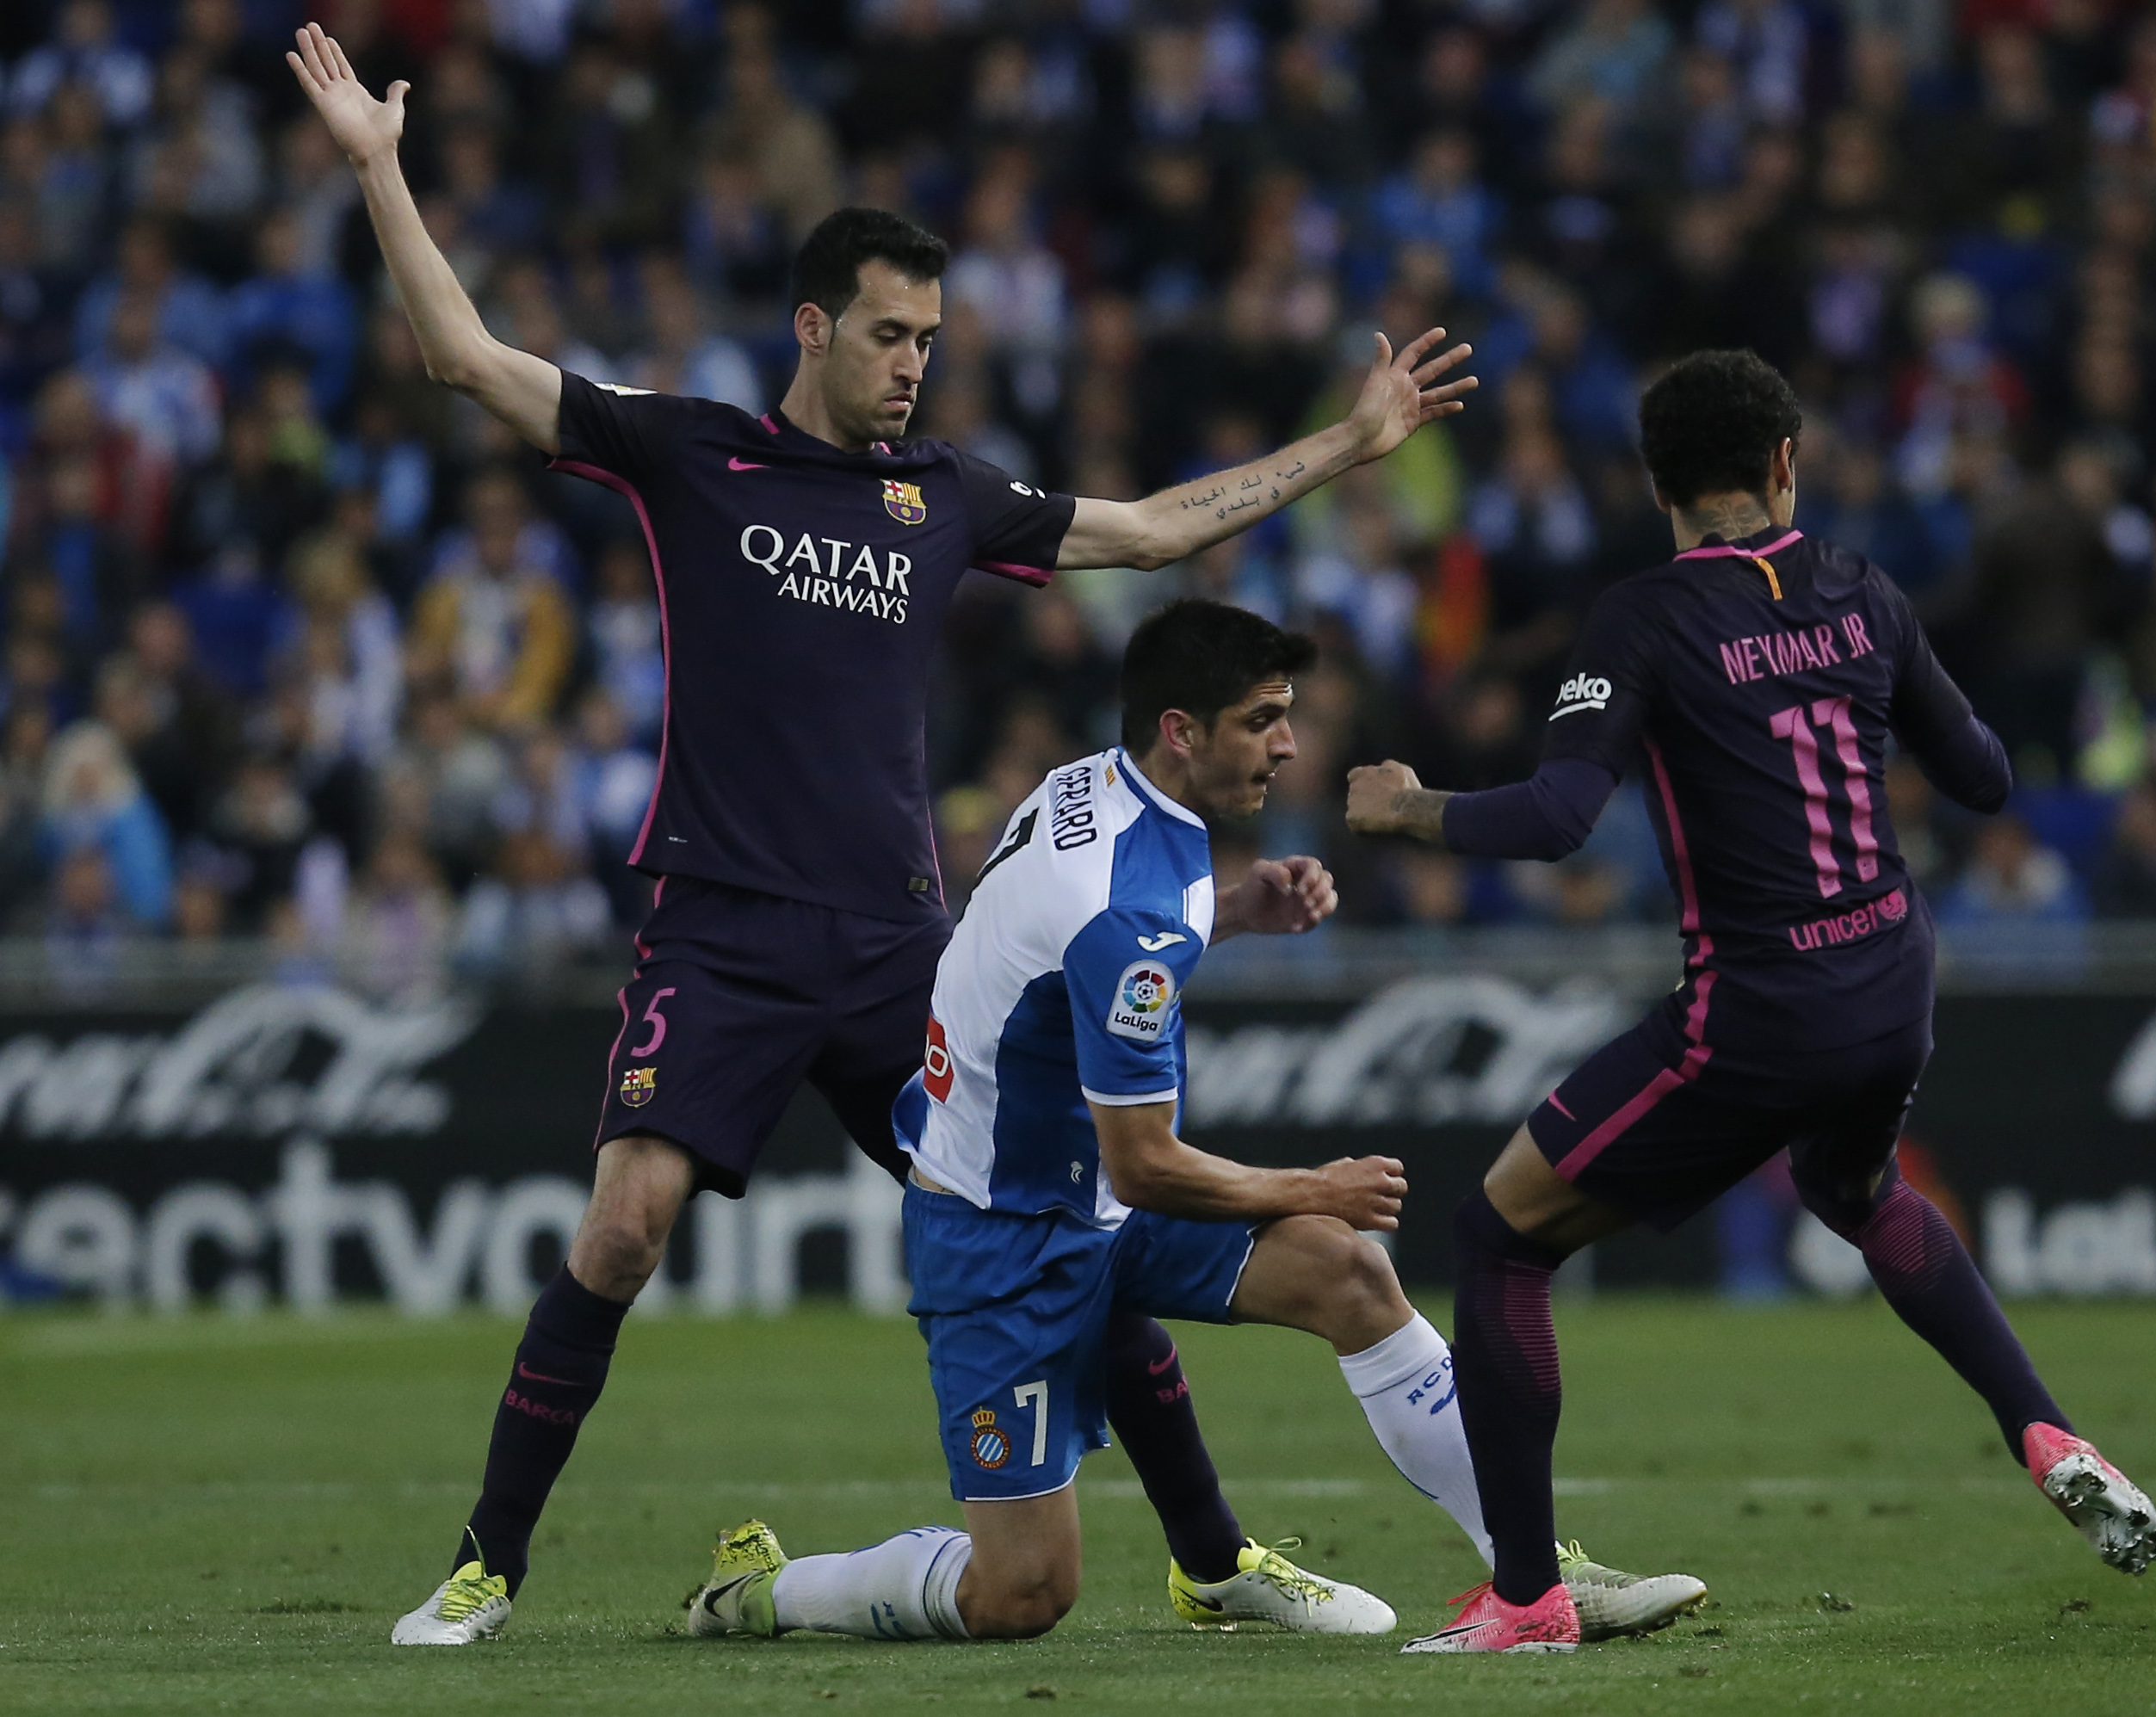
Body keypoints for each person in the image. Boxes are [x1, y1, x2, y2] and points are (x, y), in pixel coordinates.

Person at [284, 24, 1482, 1648]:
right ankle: (489, 1560)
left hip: (898, 953)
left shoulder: (946, 495)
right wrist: (376, 163)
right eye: (889, 333)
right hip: (719, 927)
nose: (914, 361)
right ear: (813, 329)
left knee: (1074, 1217)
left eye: (929, 336)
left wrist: (1346, 448)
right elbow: (466, 356)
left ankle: (1213, 1561)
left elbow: (1143, 532)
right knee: (625, 1225)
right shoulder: (690, 451)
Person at [1346, 350, 2156, 1655]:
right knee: (1860, 1190)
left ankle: (1523, 1596)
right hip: (1895, 980)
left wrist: (1409, 809)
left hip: (1764, 1004)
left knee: (1499, 1235)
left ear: (1654, 479)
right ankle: (2042, 1425)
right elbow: (1990, 778)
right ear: (1787, 462)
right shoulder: (1863, 590)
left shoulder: (1646, 616)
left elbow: (1561, 816)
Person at [686, 601, 1704, 1644]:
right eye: (1262, 718)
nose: (1289, 743)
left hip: (1083, 1196)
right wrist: (1316, 1186)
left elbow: (1078, 937)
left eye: (1288, 715)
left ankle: (1533, 1574)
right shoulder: (1128, 911)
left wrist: (1234, 906)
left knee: (1345, 1272)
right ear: (1181, 730)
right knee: (1021, 1596)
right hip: (1005, 1235)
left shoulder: (1091, 787)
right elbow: (1145, 1165)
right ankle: (766, 1590)